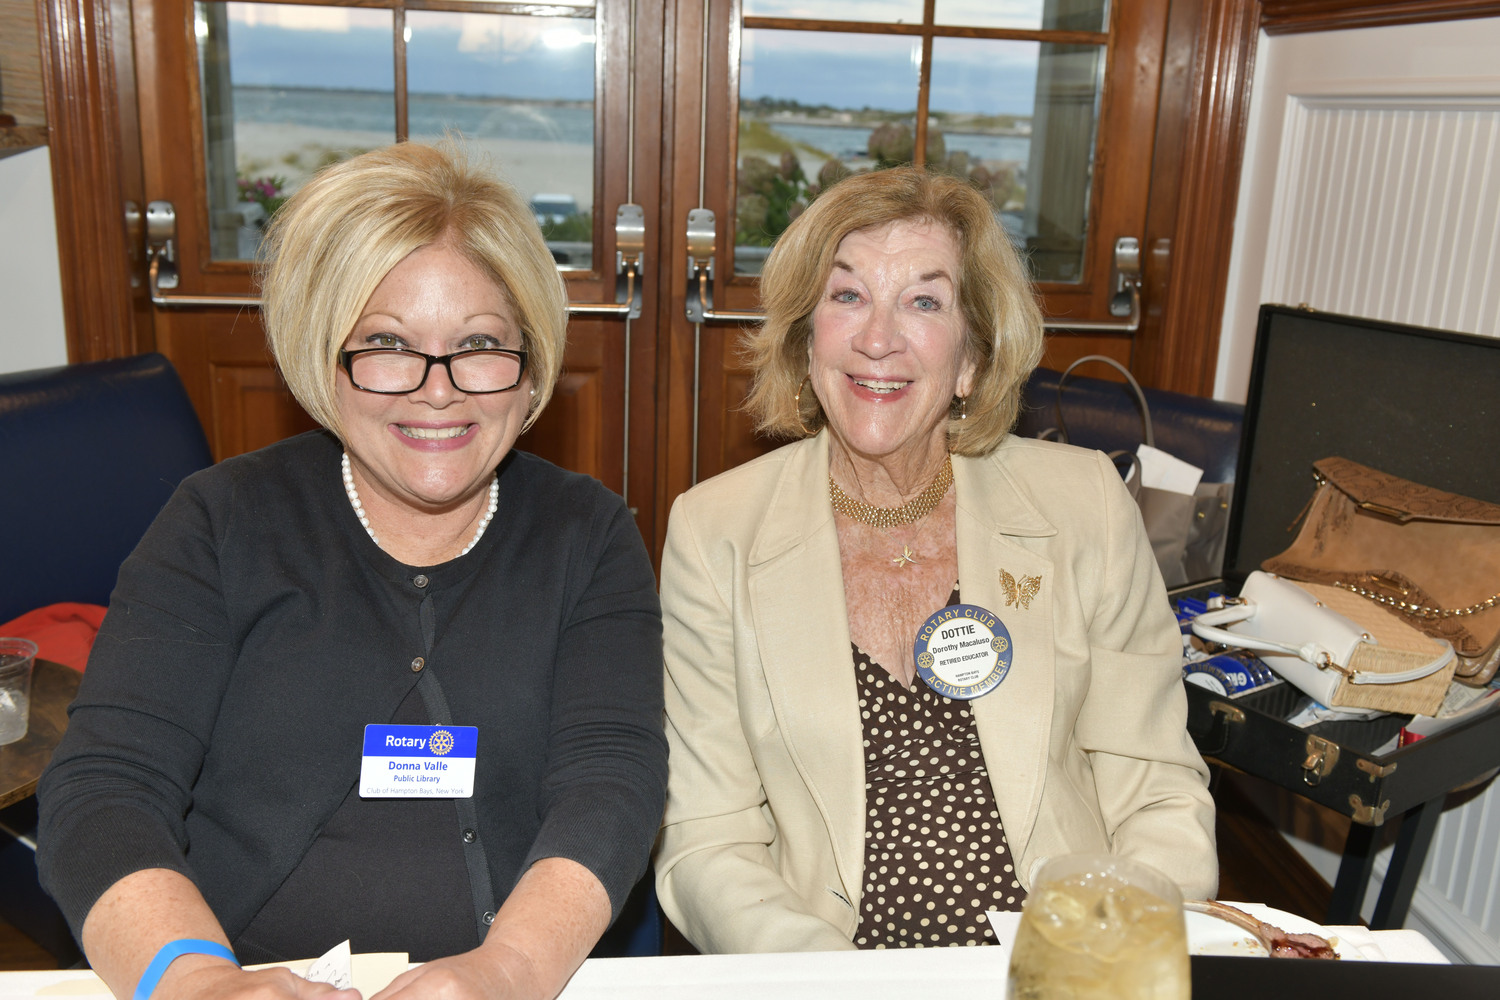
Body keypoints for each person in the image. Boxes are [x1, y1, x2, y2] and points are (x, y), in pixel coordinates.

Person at [37, 143, 667, 999]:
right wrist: (196, 983)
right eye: (386, 345)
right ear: (322, 362)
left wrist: (509, 971)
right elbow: (106, 788)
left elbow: (612, 780)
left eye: (480, 344)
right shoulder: (219, 522)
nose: (436, 391)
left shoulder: (586, 533)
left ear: (530, 368)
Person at [654, 166, 1216, 954]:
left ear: (971, 361)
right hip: (829, 970)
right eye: (847, 296)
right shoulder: (716, 532)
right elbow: (709, 838)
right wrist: (839, 983)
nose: (877, 337)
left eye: (924, 301)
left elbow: (1155, 785)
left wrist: (1100, 954)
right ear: (805, 338)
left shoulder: (1083, 504)